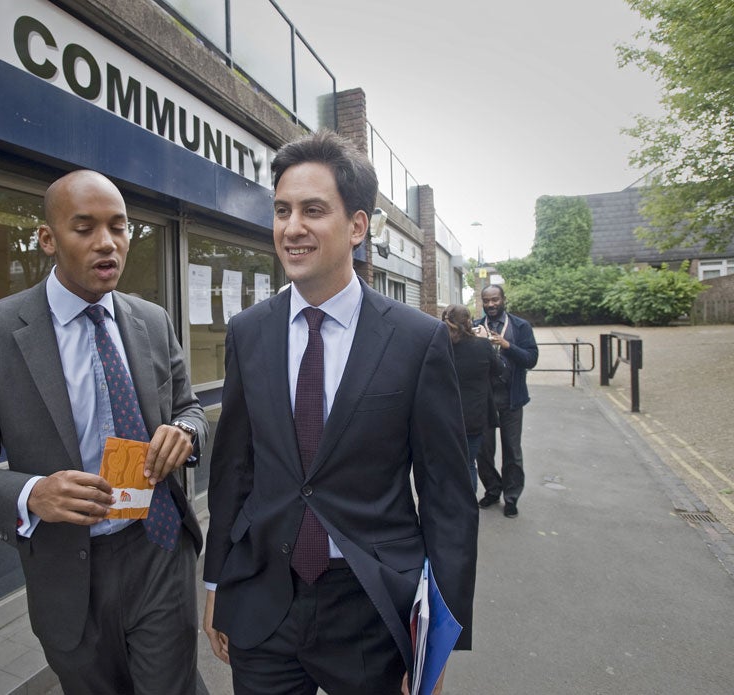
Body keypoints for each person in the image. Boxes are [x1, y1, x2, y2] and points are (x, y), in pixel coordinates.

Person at [202, 130, 478, 695]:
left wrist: (439, 636)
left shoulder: (416, 340)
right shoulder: (248, 332)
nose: (291, 227)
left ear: (357, 226)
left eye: (312, 210)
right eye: (282, 210)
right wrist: (215, 584)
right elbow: (233, 469)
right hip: (263, 599)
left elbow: (448, 498)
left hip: (371, 607)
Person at [0, 169, 207, 695]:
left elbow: (189, 408)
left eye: (119, 227)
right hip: (68, 570)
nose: (107, 243)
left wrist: (185, 432)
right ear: (47, 239)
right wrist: (33, 494)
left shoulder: (153, 320)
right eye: (85, 228)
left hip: (159, 548)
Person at [472, 284, 539, 518]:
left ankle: (511, 497)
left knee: (512, 451)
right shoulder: (476, 326)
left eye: (495, 300)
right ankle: (492, 490)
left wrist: (506, 345)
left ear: (503, 299)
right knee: (483, 451)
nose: (491, 304)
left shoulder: (521, 327)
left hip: (512, 398)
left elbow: (531, 359)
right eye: (486, 301)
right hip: (485, 401)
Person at [442, 304, 502, 492]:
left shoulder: (441, 348)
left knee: (447, 465)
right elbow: (499, 370)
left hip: (446, 417)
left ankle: (449, 504)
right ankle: (467, 506)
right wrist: (485, 340)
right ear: (469, 322)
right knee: (468, 463)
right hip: (474, 417)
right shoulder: (482, 346)